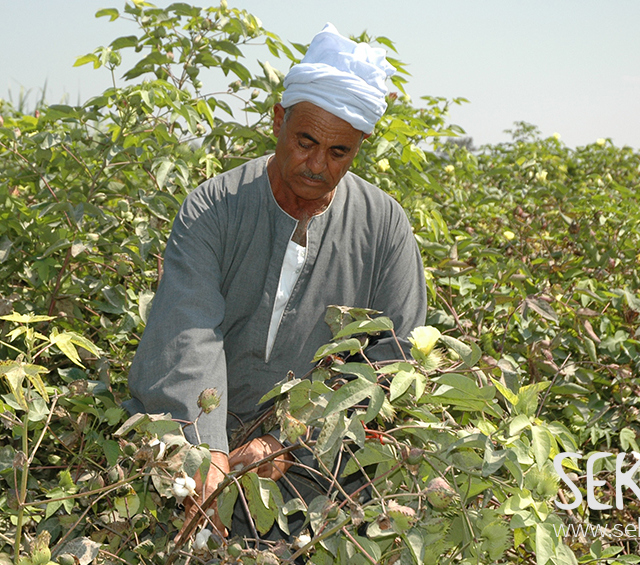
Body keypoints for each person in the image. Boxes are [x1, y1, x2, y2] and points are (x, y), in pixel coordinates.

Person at [125, 23, 427, 542]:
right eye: (306, 142)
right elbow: (187, 331)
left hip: (317, 468)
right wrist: (207, 452)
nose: (316, 165)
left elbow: (388, 362)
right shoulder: (214, 207)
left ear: (360, 148)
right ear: (278, 120)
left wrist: (290, 441)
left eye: (338, 153)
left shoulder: (384, 226)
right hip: (200, 438)